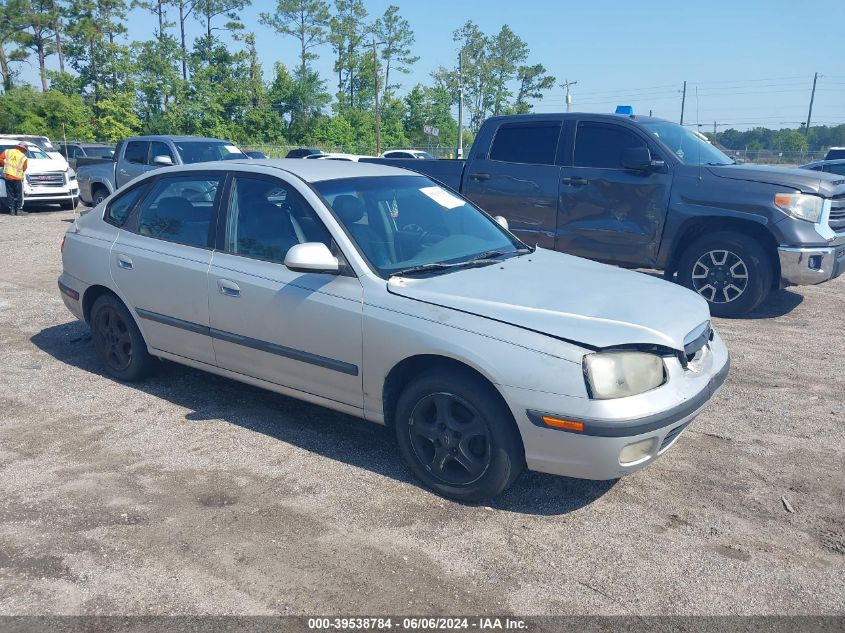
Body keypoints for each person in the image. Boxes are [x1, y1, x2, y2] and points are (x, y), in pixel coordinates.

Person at [0, 142, 29, 215]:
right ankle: (19, 210)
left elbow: (0, 159)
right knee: (19, 195)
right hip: (18, 178)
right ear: (23, 149)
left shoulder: (7, 151)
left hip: (8, 176)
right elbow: (24, 168)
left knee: (10, 194)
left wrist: (5, 165)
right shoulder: (24, 157)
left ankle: (12, 210)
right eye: (25, 150)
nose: (25, 151)